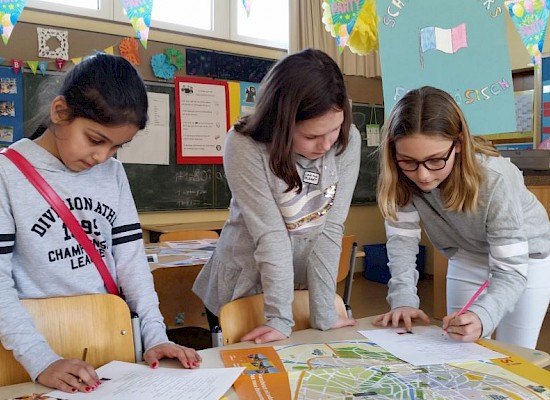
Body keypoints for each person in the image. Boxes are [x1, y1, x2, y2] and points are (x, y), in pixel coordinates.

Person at [0, 53, 201, 394]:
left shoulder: (113, 174)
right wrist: (41, 359)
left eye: (116, 147)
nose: (101, 157)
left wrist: (155, 335)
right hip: (31, 354)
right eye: (95, 140)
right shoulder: (7, 173)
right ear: (60, 112)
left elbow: (131, 264)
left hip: (112, 346)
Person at [192, 48, 360, 344]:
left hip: (296, 286)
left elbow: (330, 229)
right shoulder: (245, 144)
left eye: (334, 129)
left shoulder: (348, 139)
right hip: (242, 283)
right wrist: (279, 318)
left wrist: (325, 314)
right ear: (281, 122)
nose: (325, 144)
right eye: (310, 136)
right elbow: (271, 235)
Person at [373, 85, 550, 349]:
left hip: (525, 260)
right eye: (408, 161)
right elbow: (402, 245)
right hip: (469, 254)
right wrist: (404, 301)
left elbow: (510, 272)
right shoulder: (399, 176)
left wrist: (483, 316)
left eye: (435, 160)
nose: (422, 175)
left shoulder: (495, 178)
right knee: (459, 346)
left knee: (516, 353)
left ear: (458, 145)